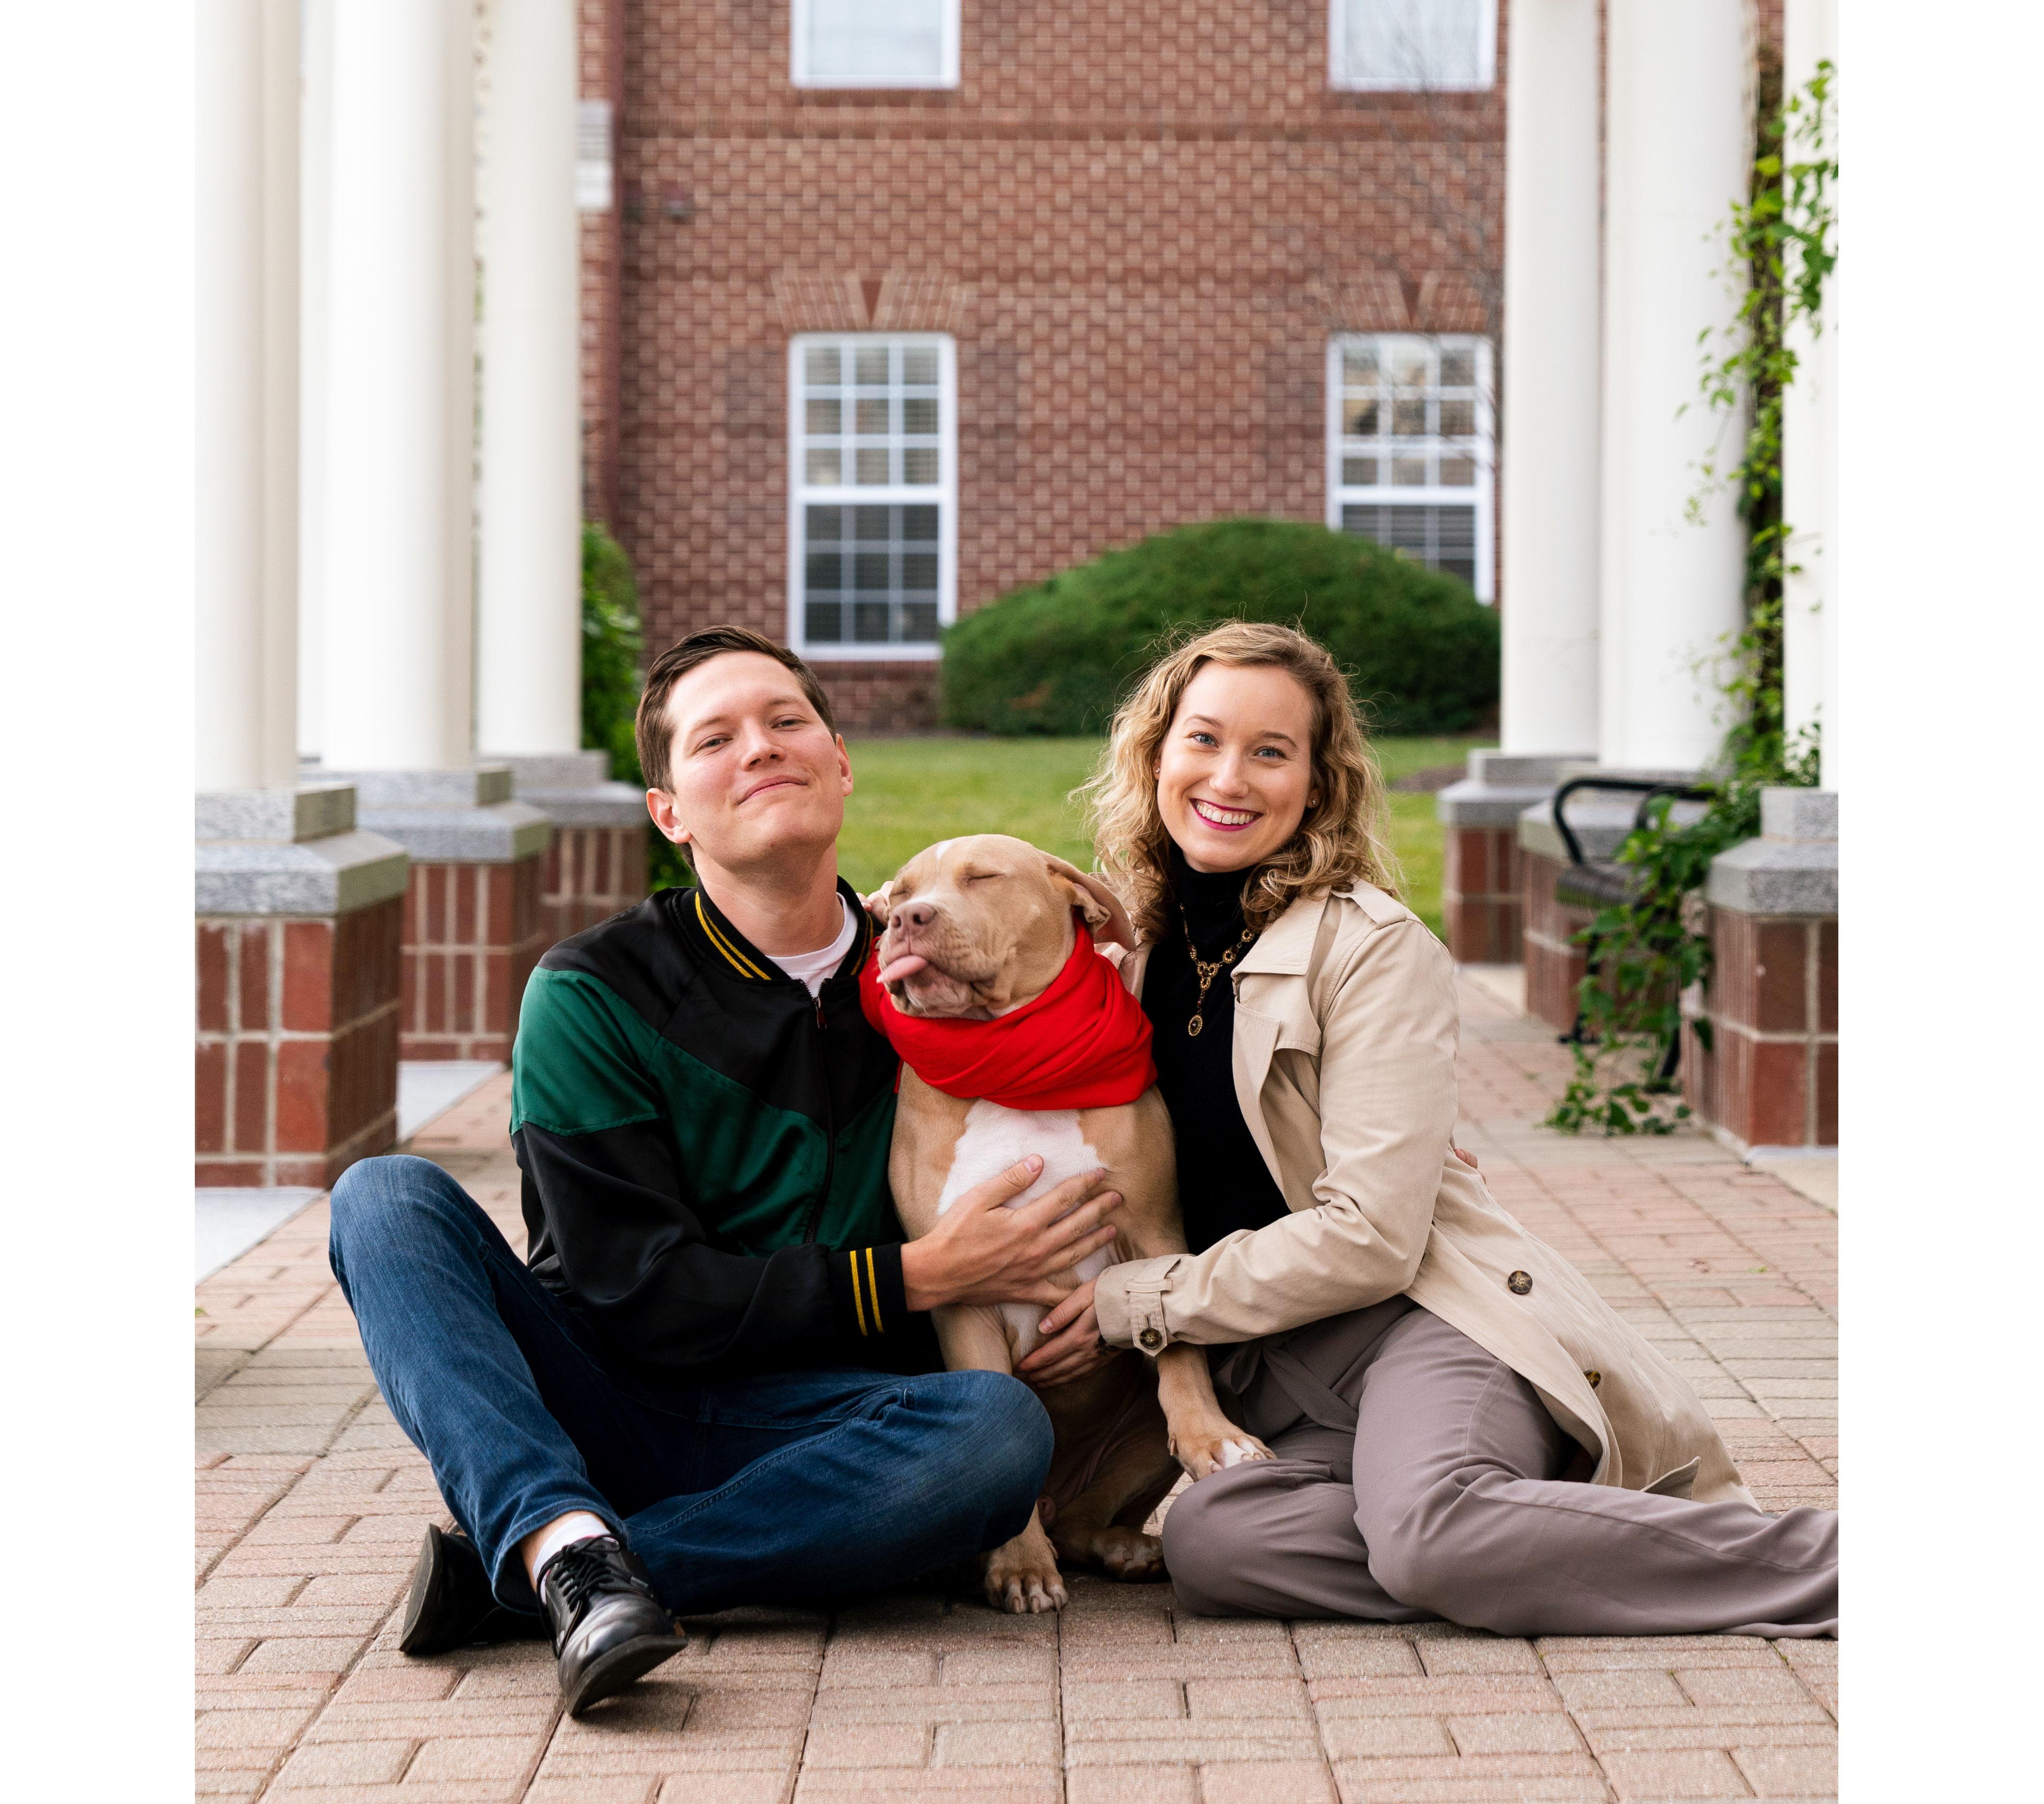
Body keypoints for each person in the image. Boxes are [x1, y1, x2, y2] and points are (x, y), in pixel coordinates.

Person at [328, 626, 1124, 1715]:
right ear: (670, 812)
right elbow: (629, 1288)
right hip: (605, 1395)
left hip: (832, 1426)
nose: (761, 747)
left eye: (787, 721)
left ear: (841, 764)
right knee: (385, 1198)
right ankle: (560, 1526)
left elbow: (1124, 1128)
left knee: (993, 1432)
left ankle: (547, 1572)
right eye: (716, 738)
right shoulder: (592, 991)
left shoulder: (930, 970)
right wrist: (917, 1275)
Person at [1014, 621, 1837, 1637]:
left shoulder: (1368, 947)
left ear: (1316, 787)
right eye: (1203, 740)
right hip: (1277, 1380)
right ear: (1154, 754)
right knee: (1217, 1544)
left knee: (1426, 1531)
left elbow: (1371, 1236)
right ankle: (1529, 1530)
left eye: (1271, 752)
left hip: (1420, 1325)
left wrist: (1130, 1299)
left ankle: (1836, 1566)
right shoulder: (1127, 956)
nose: (1228, 776)